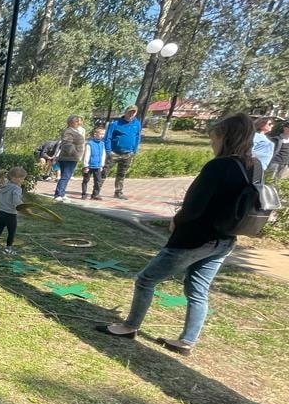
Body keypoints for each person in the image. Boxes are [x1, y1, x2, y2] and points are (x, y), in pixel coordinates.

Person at [96, 113, 255, 355]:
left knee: (146, 279)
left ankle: (129, 326)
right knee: (198, 289)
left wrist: (176, 221)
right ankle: (186, 341)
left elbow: (194, 206)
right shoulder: (253, 166)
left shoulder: (219, 166)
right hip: (225, 240)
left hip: (195, 240)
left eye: (214, 138)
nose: (212, 144)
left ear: (226, 137)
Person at [102, 106, 142, 199]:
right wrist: (108, 151)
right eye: (129, 112)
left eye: (133, 112)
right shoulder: (115, 124)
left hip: (128, 153)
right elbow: (108, 137)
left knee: (122, 173)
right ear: (125, 112)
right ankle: (96, 190)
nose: (131, 114)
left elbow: (137, 137)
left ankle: (118, 192)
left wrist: (134, 150)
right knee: (105, 171)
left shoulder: (137, 124)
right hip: (114, 152)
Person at [0, 166, 25, 254]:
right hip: (11, 214)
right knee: (11, 233)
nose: (22, 180)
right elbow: (16, 200)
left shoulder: (5, 185)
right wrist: (22, 206)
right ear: (16, 178)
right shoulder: (17, 189)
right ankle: (8, 249)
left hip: (1, 213)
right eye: (22, 179)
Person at [53, 115, 85, 202]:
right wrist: (75, 154)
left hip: (70, 157)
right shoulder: (68, 131)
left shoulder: (76, 131)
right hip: (69, 157)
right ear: (72, 122)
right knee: (65, 176)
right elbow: (67, 144)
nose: (80, 123)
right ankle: (58, 194)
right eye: (78, 121)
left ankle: (62, 193)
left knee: (66, 175)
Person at [80, 125, 110, 200]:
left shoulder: (102, 144)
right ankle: (84, 194)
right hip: (89, 166)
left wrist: (102, 165)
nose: (102, 136)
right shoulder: (90, 144)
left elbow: (103, 155)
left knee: (98, 181)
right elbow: (87, 155)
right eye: (101, 134)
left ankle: (95, 194)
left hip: (98, 166)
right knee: (86, 180)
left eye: (103, 134)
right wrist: (86, 165)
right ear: (95, 134)